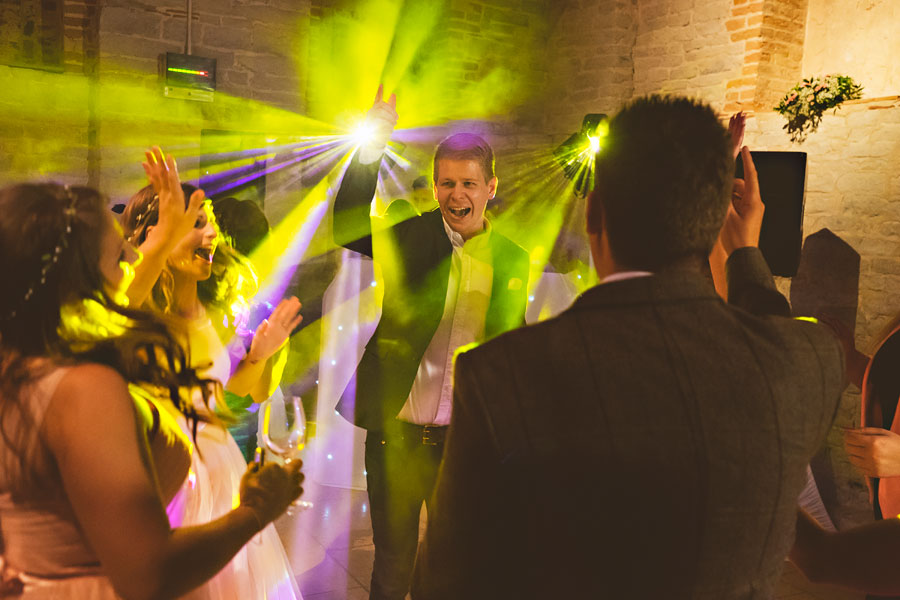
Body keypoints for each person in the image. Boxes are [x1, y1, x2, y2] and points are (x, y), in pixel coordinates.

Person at [410, 95, 845, 599]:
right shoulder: (806, 360)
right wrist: (744, 251)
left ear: (594, 214)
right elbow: (772, 337)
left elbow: (448, 579)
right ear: (716, 220)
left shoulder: (500, 371)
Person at [0, 182, 304, 599]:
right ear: (80, 273)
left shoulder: (23, 366)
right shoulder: (84, 385)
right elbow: (150, 573)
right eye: (118, 251)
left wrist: (258, 358)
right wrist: (256, 511)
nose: (132, 256)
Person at [331, 86, 530, 600]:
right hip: (396, 438)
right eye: (446, 183)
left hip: (462, 446)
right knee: (393, 567)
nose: (455, 195)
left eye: (467, 183)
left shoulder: (511, 259)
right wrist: (373, 140)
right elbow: (348, 224)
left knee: (452, 570)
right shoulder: (412, 237)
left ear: (490, 188)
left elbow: (511, 349)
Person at [121, 149, 304, 600]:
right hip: (169, 475)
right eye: (195, 224)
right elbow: (117, 305)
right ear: (157, 234)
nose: (209, 234)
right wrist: (162, 236)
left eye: (209, 224)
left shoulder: (215, 313)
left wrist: (259, 357)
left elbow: (221, 398)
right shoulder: (139, 310)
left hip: (223, 470)